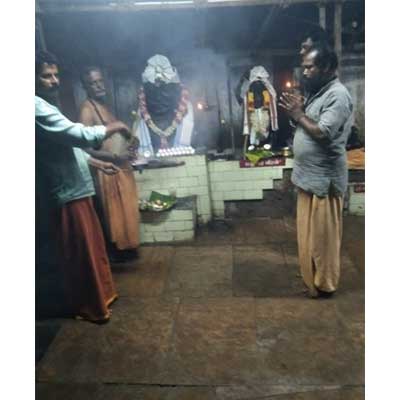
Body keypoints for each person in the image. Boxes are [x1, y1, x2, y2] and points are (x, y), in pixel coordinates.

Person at [36, 51, 130, 322]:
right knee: (80, 253)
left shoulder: (46, 104)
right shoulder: (34, 106)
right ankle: (92, 307)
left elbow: (70, 146)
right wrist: (116, 126)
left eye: (56, 75)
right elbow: (80, 135)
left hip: (77, 186)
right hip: (66, 191)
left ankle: (102, 297)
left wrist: (97, 163)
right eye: (46, 76)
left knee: (93, 247)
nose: (54, 81)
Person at [279, 45, 353, 298]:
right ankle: (312, 278)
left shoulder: (338, 95)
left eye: (310, 67)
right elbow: (306, 124)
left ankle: (326, 285)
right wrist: (297, 114)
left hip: (324, 181)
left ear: (327, 68)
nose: (305, 72)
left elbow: (323, 132)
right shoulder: (317, 91)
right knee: (308, 238)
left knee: (324, 242)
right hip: (307, 178)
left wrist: (298, 114)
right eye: (304, 67)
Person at [78, 67, 140, 260]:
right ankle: (117, 254)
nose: (98, 86)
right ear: (85, 86)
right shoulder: (87, 109)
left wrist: (130, 146)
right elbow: (84, 148)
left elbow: (117, 138)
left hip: (123, 168)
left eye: (100, 81)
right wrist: (113, 157)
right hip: (107, 171)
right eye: (93, 83)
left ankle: (128, 249)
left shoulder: (105, 106)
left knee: (128, 211)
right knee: (114, 216)